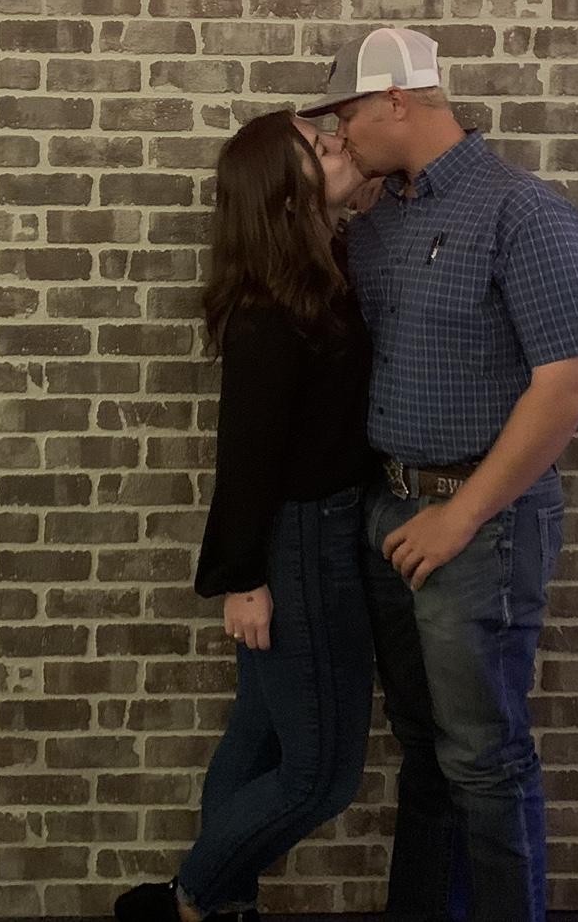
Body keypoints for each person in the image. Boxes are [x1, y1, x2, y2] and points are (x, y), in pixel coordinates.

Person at [300, 26, 578, 922]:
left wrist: (461, 515)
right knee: (424, 749)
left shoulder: (523, 212)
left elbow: (569, 382)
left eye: (347, 114)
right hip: (389, 510)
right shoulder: (378, 222)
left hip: (480, 525)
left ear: (397, 99)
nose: (340, 134)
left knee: (484, 758)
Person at [114, 110, 381, 922]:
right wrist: (244, 579)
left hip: (319, 534)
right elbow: (246, 454)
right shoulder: (273, 310)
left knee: (259, 733)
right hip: (302, 545)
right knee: (321, 776)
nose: (340, 143)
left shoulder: (323, 272)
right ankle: (186, 900)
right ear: (286, 195)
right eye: (320, 145)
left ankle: (221, 906)